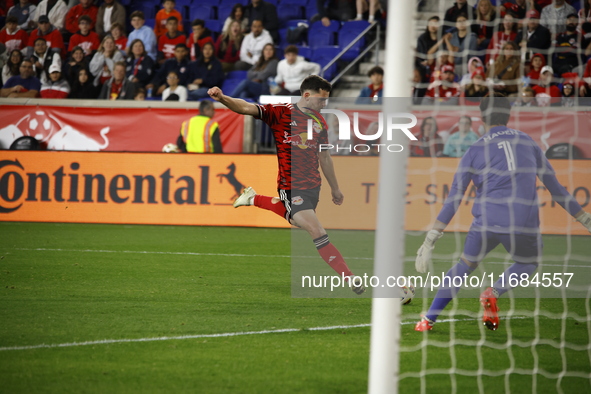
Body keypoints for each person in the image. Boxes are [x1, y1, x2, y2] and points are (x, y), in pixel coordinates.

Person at [414, 95, 591, 332]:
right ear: (508, 115)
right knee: (528, 262)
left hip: (486, 222)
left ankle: (428, 320)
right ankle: (493, 291)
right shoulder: (528, 142)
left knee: (465, 265)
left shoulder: (474, 150)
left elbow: (454, 198)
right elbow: (556, 188)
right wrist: (585, 219)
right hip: (523, 223)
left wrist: (430, 240)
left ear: (482, 116)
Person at [207, 75, 366, 295]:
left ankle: (253, 198)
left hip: (313, 187)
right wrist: (222, 98)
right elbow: (245, 108)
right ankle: (350, 278)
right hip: (291, 186)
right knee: (316, 229)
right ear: (307, 95)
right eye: (321, 100)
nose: (324, 104)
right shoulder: (280, 112)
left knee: (297, 221)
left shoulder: (320, 122)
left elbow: (325, 157)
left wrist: (335, 188)